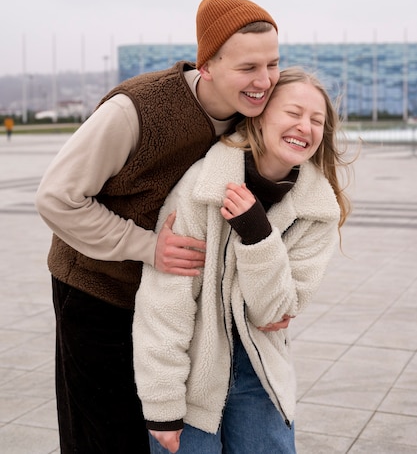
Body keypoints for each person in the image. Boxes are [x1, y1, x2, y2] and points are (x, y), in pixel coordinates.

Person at [35, 0, 280, 453]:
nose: (264, 81)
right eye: (248, 67)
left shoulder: (255, 115)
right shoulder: (138, 109)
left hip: (172, 307)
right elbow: (56, 197)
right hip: (99, 290)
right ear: (206, 65)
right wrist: (147, 247)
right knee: (103, 435)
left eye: (272, 64)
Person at [133, 67, 352, 454]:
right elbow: (165, 302)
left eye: (316, 120)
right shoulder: (203, 188)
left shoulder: (318, 209)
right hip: (193, 375)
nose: (305, 127)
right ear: (261, 114)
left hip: (261, 375)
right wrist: (163, 405)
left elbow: (274, 311)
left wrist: (258, 235)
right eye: (293, 113)